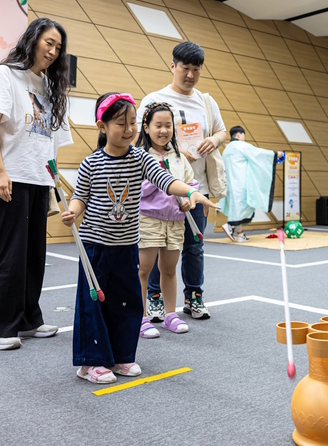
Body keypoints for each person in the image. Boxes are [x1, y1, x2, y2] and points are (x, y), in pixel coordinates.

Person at [61, 92, 219, 384]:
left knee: (127, 300)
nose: (130, 129)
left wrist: (191, 192)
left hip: (126, 245)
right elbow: (80, 197)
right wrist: (72, 211)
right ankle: (90, 363)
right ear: (102, 127)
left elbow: (166, 181)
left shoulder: (141, 159)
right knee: (93, 302)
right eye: (122, 123)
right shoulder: (91, 163)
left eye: (133, 122)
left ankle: (122, 355)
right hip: (95, 245)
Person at [0, 17, 73, 351]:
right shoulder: (5, 75)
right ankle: (1, 326)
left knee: (34, 254)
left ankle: (28, 318)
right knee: (7, 254)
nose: (52, 51)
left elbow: (50, 143)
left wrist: (54, 178)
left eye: (58, 47)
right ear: (32, 39)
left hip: (36, 179)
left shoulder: (49, 87)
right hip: (7, 177)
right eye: (49, 42)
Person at [136, 41, 227, 322]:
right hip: (158, 193)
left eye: (196, 70)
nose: (190, 75)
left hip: (194, 187)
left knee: (194, 245)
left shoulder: (206, 101)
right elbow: (140, 141)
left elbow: (222, 131)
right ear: (172, 66)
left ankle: (194, 297)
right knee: (155, 248)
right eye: (185, 68)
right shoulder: (154, 99)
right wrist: (174, 150)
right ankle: (154, 300)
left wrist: (214, 139)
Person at [136, 102, 195, 339]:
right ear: (146, 128)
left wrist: (189, 199)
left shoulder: (179, 157)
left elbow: (191, 184)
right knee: (143, 270)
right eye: (158, 125)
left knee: (169, 270)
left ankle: (171, 315)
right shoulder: (139, 156)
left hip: (175, 221)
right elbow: (135, 189)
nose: (163, 130)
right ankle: (140, 318)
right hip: (148, 220)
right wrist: (162, 181)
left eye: (168, 125)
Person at [219, 126, 277, 243]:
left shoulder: (226, 150)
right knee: (247, 207)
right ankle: (230, 225)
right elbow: (258, 154)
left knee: (236, 210)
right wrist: (276, 154)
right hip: (241, 184)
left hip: (229, 185)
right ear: (239, 135)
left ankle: (240, 234)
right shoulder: (242, 146)